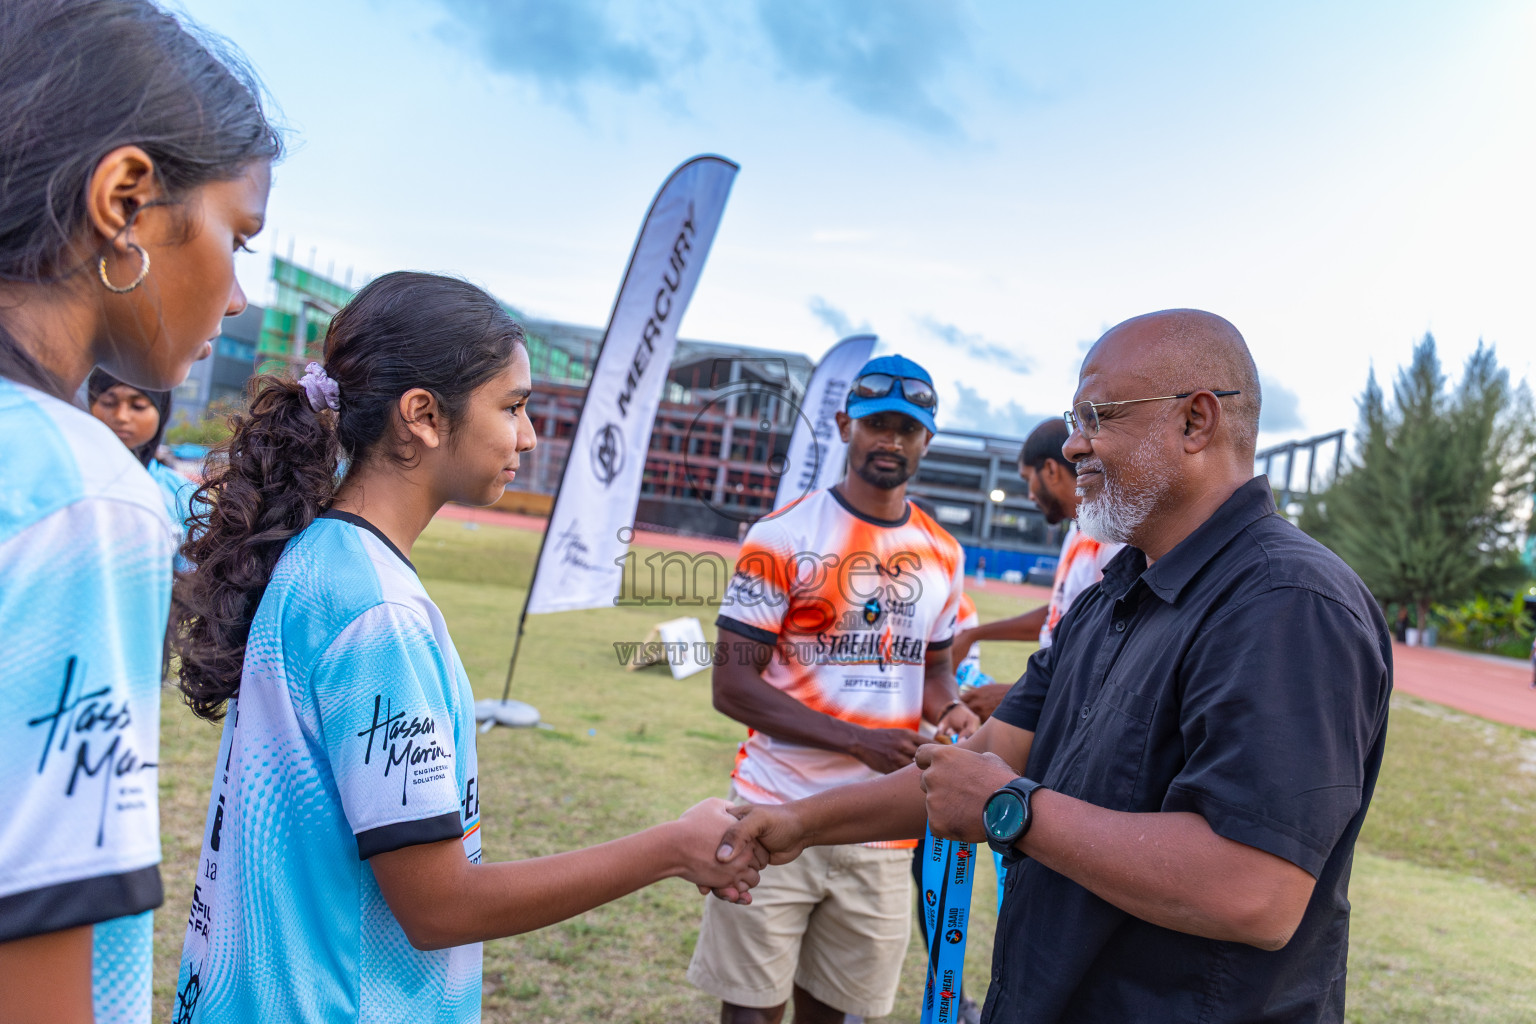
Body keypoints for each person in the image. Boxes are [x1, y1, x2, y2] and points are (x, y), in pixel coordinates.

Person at [716, 310, 1393, 1024]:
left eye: (1097, 415)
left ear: (1196, 423)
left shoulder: (1286, 604)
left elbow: (1253, 890)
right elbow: (972, 768)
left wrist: (1015, 810)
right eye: (1075, 419)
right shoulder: (1114, 599)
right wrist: (795, 824)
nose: (1073, 445)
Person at [169, 272, 762, 1023]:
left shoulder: (323, 560)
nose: (529, 435)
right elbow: (439, 906)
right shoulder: (376, 613)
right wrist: (674, 847)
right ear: (421, 415)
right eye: (512, 406)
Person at [0, 3, 279, 1022]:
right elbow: (32, 948)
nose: (238, 295)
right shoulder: (80, 493)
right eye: (236, 237)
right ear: (125, 199)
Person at [689, 353, 980, 1024]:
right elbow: (731, 686)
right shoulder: (784, 534)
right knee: (752, 1009)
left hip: (881, 830)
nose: (891, 441)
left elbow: (932, 674)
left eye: (907, 430)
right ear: (846, 424)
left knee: (837, 1013)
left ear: (926, 442)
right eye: (877, 425)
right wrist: (861, 739)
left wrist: (956, 710)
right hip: (772, 806)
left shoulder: (944, 553)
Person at [953, 419, 1123, 723]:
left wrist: (1021, 695)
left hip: (1077, 710)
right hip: (1057, 696)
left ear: (1050, 470)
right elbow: (1061, 615)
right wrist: (974, 634)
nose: (1030, 494)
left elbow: (1113, 645)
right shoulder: (1077, 529)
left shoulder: (1111, 536)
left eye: (1026, 478)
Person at [88, 368, 197, 536]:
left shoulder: (185, 496)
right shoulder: (66, 481)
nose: (121, 416)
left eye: (138, 406)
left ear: (161, 411)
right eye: (109, 403)